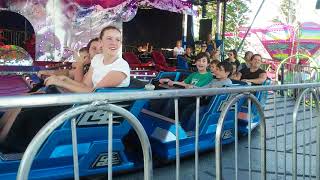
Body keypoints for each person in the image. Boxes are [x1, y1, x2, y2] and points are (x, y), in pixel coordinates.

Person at [0, 25, 130, 152]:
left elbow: (93, 93)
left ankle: (7, 147)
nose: (114, 43)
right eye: (109, 38)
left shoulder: (121, 66)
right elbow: (85, 86)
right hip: (85, 103)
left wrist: (63, 83)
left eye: (118, 39)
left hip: (97, 109)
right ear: (101, 41)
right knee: (27, 101)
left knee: (29, 112)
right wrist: (65, 80)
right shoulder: (97, 59)